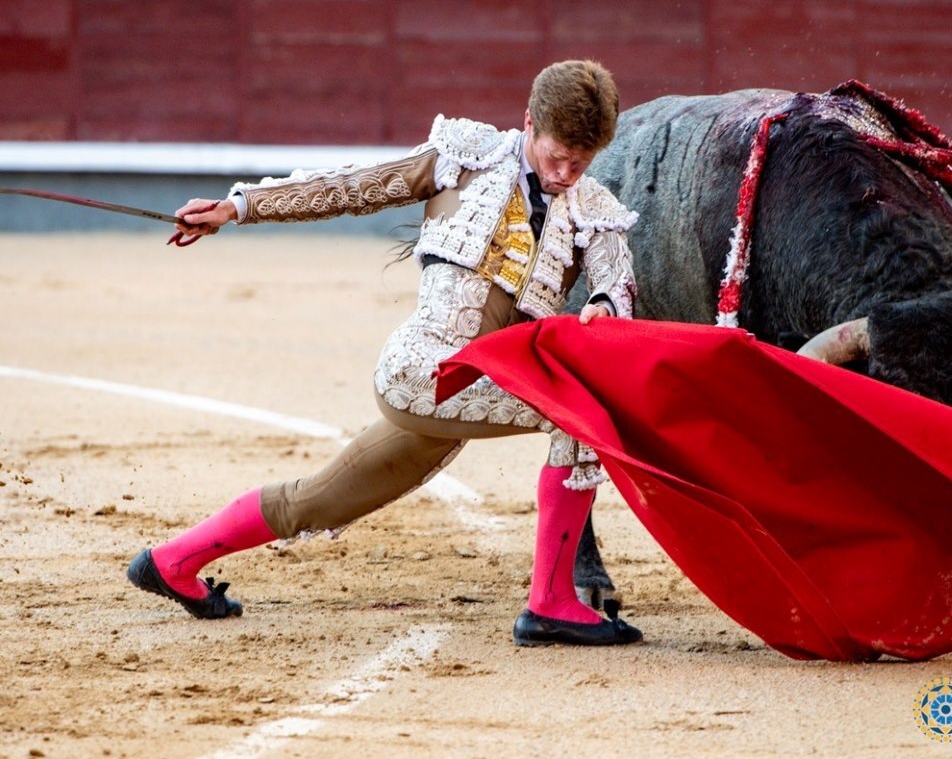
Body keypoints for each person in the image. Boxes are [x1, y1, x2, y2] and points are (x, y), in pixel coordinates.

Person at [125, 60, 642, 647]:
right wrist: (238, 207)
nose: (566, 173)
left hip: (469, 397)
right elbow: (350, 186)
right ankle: (550, 603)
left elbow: (615, 283)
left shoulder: (595, 212)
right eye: (557, 156)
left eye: (582, 161)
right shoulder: (462, 160)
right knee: (581, 412)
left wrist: (602, 303)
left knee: (320, 499)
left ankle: (170, 563)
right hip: (420, 372)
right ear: (528, 123)